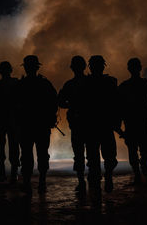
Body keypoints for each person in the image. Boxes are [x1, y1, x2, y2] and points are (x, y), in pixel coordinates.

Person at [17, 55, 58, 194]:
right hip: (38, 125)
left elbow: (54, 102)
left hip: (28, 126)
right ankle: (40, 181)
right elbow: (54, 102)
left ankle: (31, 182)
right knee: (40, 154)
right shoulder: (44, 83)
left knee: (28, 155)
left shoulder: (21, 85)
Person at [118, 58, 147, 184]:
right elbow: (119, 106)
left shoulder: (135, 85)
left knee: (144, 148)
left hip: (138, 122)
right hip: (135, 122)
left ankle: (141, 164)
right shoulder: (140, 85)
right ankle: (137, 170)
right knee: (136, 149)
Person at [84, 55, 119, 194]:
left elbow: (116, 103)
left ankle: (102, 178)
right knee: (103, 157)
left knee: (100, 157)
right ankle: (103, 178)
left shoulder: (86, 82)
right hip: (101, 125)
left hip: (98, 125)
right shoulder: (110, 82)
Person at [57, 56, 88, 193]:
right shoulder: (90, 82)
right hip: (86, 123)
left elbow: (61, 102)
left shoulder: (70, 84)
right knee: (89, 153)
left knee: (80, 154)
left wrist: (71, 105)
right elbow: (61, 101)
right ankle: (89, 180)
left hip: (81, 123)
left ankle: (82, 180)